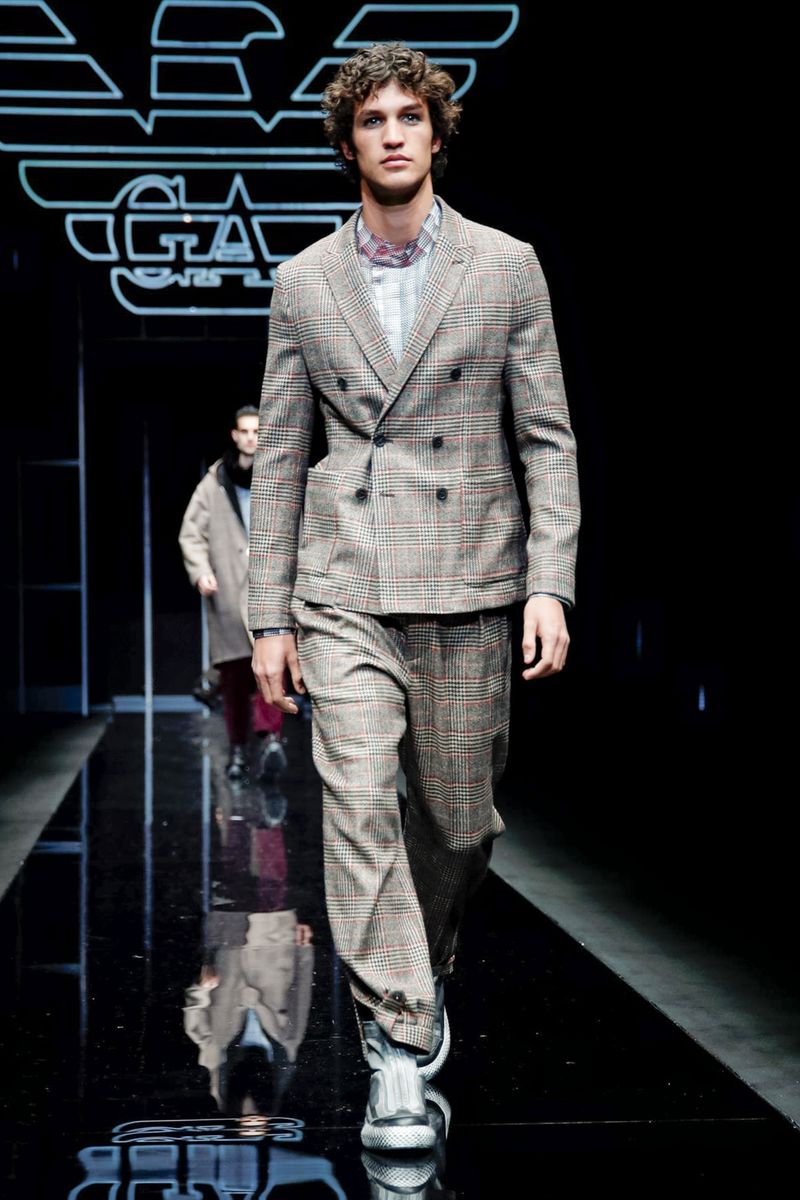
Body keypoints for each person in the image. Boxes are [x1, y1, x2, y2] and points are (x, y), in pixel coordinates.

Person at [248, 42, 580, 1151]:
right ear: (347, 143)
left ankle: (418, 966)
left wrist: (548, 581)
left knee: (457, 822)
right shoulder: (303, 283)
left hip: (471, 577)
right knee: (355, 806)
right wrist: (270, 617)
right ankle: (397, 1040)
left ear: (437, 134)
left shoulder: (506, 268)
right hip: (344, 577)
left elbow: (545, 438)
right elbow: (281, 458)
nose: (392, 134)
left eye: (409, 117)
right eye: (372, 120)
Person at [179, 406, 285, 780]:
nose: (252, 437)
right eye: (246, 431)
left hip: (267, 590)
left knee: (271, 670)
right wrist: (201, 572)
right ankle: (238, 749)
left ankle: (271, 739)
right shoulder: (215, 482)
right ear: (235, 435)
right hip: (227, 591)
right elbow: (191, 533)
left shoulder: (277, 477)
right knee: (236, 680)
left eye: (258, 431)